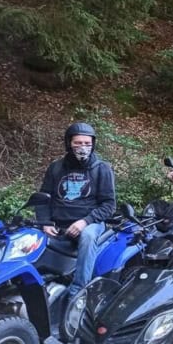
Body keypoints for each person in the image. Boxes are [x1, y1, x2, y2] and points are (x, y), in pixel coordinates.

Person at [36, 122, 116, 298]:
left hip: (90, 222)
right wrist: (45, 222)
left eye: (87, 144)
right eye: (78, 143)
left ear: (93, 144)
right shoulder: (56, 167)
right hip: (57, 222)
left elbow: (109, 205)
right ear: (68, 143)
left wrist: (84, 222)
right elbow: (43, 198)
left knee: (87, 236)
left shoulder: (102, 169)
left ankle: (78, 290)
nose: (83, 147)